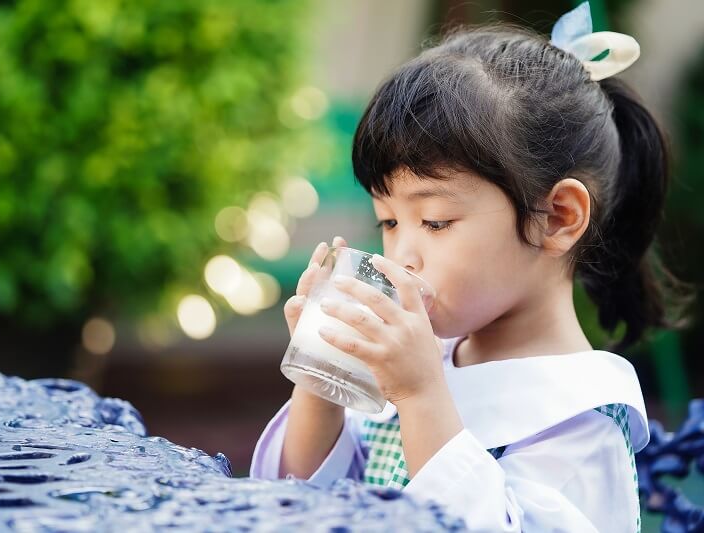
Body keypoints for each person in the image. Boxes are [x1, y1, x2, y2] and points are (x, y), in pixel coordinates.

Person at [249, 3, 690, 531]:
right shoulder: (427, 355)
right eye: (388, 223)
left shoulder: (579, 413)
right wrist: (324, 380)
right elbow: (294, 503)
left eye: (434, 221)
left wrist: (419, 395)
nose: (402, 255)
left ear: (557, 218)